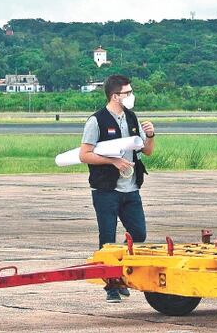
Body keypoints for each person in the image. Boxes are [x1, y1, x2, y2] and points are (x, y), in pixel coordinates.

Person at [79, 74, 155, 303]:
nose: (132, 96)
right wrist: (113, 161)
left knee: (139, 233)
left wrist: (151, 135)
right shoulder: (97, 120)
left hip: (131, 188)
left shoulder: (132, 117)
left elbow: (147, 151)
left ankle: (119, 267)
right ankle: (111, 284)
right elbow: (85, 154)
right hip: (106, 190)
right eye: (128, 93)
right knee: (107, 237)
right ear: (115, 96)